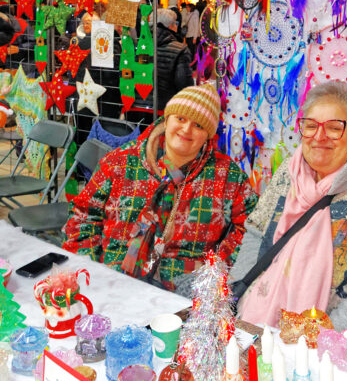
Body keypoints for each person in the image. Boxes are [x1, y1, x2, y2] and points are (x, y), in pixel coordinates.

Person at [231, 81, 347, 348]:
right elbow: (257, 232)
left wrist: (324, 344)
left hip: (327, 350)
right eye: (311, 126)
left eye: (334, 128)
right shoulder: (290, 172)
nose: (319, 137)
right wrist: (242, 300)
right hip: (257, 328)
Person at [63, 83, 258, 292]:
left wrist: (213, 271)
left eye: (199, 125)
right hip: (112, 279)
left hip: (184, 291)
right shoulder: (120, 162)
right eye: (180, 118)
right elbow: (83, 215)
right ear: (167, 119)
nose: (186, 130)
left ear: (208, 135)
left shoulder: (228, 177)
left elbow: (251, 232)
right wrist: (91, 269)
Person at [155, 8, 194, 106]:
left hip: (137, 109)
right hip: (168, 108)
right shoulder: (180, 49)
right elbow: (185, 86)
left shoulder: (137, 45)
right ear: (171, 26)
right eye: (176, 23)